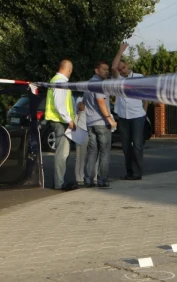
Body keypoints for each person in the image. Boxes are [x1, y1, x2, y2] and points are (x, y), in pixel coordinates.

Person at [83, 46, 123, 188]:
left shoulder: (88, 83)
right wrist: (109, 119)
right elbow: (101, 102)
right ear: (96, 70)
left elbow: (82, 104)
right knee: (105, 152)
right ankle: (102, 180)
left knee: (92, 152)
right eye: (104, 70)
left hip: (90, 123)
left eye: (107, 69)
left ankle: (88, 179)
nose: (107, 72)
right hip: (101, 123)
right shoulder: (98, 84)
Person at [43, 60, 77, 190]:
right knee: (62, 154)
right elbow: (59, 104)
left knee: (63, 153)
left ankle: (59, 181)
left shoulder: (55, 80)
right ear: (68, 69)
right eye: (71, 71)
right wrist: (69, 120)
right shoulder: (61, 82)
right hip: (60, 121)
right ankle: (59, 183)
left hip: (58, 121)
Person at [114, 58, 146, 180]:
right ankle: (129, 172)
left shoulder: (139, 77)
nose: (122, 71)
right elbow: (113, 68)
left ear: (128, 66)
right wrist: (120, 51)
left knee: (137, 145)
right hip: (123, 116)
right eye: (120, 69)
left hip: (137, 115)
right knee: (126, 146)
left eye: (123, 68)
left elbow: (145, 95)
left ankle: (137, 173)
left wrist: (145, 111)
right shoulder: (118, 80)